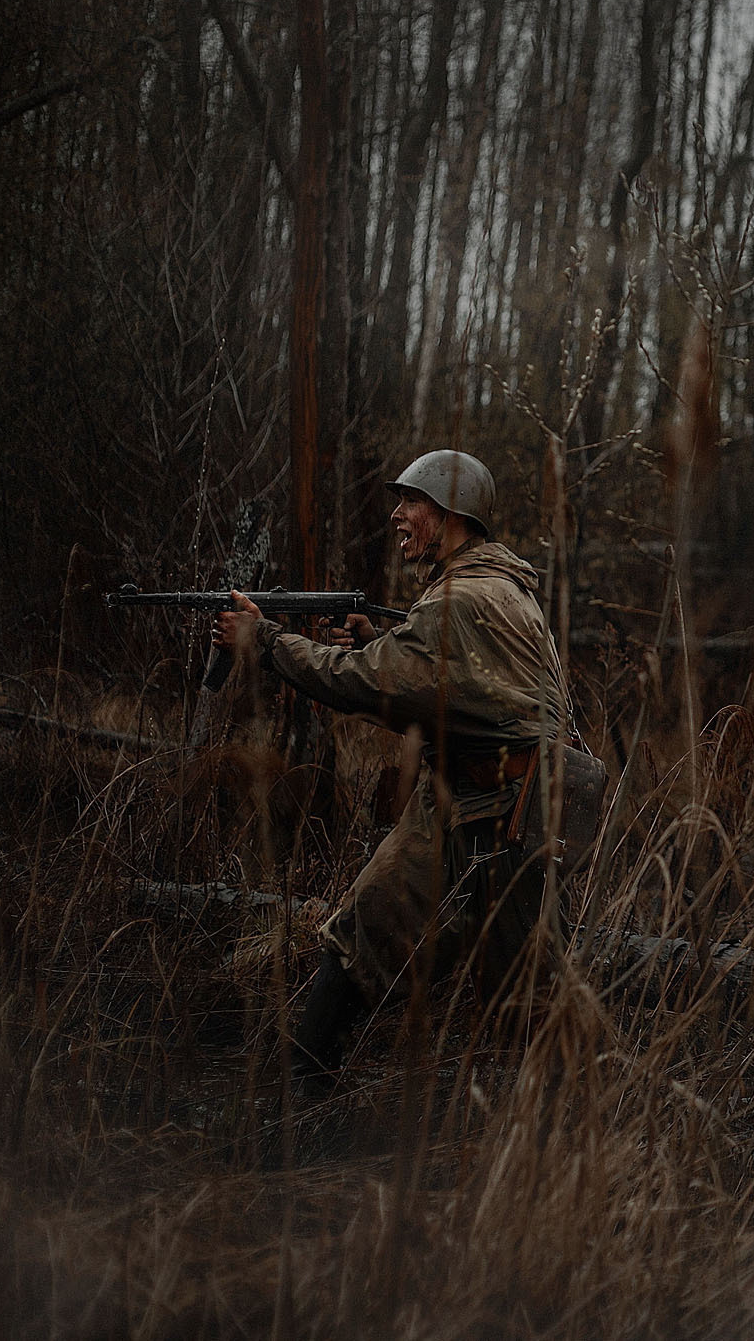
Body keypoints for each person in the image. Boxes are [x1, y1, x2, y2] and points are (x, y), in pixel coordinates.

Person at [212, 449, 571, 1080]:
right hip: (509, 805)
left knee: (514, 989)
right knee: (376, 924)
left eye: (412, 503)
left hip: (489, 812)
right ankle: (308, 1078)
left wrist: (265, 641)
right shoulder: (501, 589)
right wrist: (386, 643)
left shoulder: (458, 600)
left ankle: (302, 1093)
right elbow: (455, 685)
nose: (398, 516)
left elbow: (364, 684)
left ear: (451, 514)